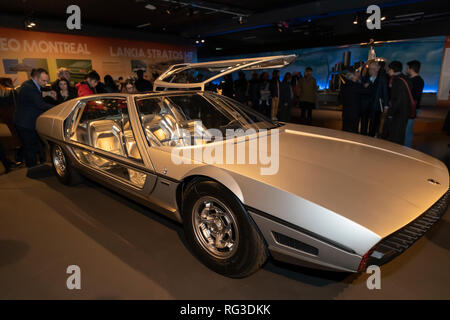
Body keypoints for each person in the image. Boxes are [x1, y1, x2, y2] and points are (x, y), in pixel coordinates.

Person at [14, 68, 56, 167]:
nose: (46, 83)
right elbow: (40, 105)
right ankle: (32, 170)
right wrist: (59, 108)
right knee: (30, 149)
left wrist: (47, 93)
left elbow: (36, 96)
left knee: (33, 146)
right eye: (43, 81)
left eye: (47, 80)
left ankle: (35, 164)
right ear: (36, 78)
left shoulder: (29, 84)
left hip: (26, 122)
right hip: (25, 123)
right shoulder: (29, 87)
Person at [381, 61, 412, 145]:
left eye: (389, 69)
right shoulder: (405, 78)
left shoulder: (397, 81)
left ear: (392, 69)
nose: (388, 71)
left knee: (394, 137)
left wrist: (390, 113)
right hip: (404, 111)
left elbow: (397, 99)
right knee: (400, 135)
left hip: (398, 113)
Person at [360, 61, 389, 137]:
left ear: (377, 69)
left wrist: (386, 105)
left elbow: (385, 91)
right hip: (365, 104)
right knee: (364, 122)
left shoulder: (382, 78)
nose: (370, 71)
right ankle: (362, 136)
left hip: (376, 104)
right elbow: (361, 89)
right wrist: (366, 84)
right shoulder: (365, 77)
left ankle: (371, 137)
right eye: (370, 69)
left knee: (374, 123)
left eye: (373, 69)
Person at [404, 60, 424, 147]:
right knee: (407, 130)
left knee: (407, 130)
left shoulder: (415, 81)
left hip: (411, 108)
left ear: (411, 69)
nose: (406, 70)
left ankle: (406, 149)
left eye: (407, 68)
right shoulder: (419, 80)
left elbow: (413, 96)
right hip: (413, 107)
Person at [339, 67, 364, 133]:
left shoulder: (344, 85)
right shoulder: (357, 86)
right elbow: (367, 92)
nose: (358, 75)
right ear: (353, 75)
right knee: (353, 130)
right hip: (354, 112)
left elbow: (341, 97)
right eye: (357, 73)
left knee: (345, 129)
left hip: (346, 111)